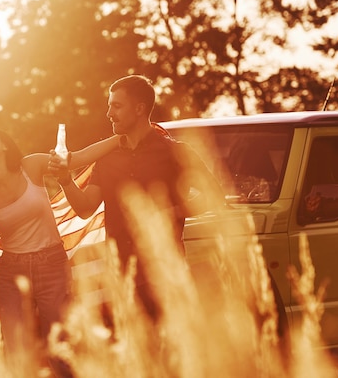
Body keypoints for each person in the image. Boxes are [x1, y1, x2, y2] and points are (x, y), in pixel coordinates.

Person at [48, 74, 225, 323]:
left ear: (140, 108)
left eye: (116, 106)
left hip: (166, 271)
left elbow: (214, 196)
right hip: (121, 275)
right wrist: (65, 180)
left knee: (172, 354)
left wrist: (170, 212)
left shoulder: (175, 151)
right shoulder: (107, 159)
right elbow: (85, 207)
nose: (109, 113)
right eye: (109, 106)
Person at [0, 125, 119, 377]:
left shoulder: (31, 166)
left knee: (60, 342)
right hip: (12, 272)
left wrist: (120, 138)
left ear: (4, 145)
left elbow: (77, 158)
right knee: (17, 350)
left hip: (51, 264)